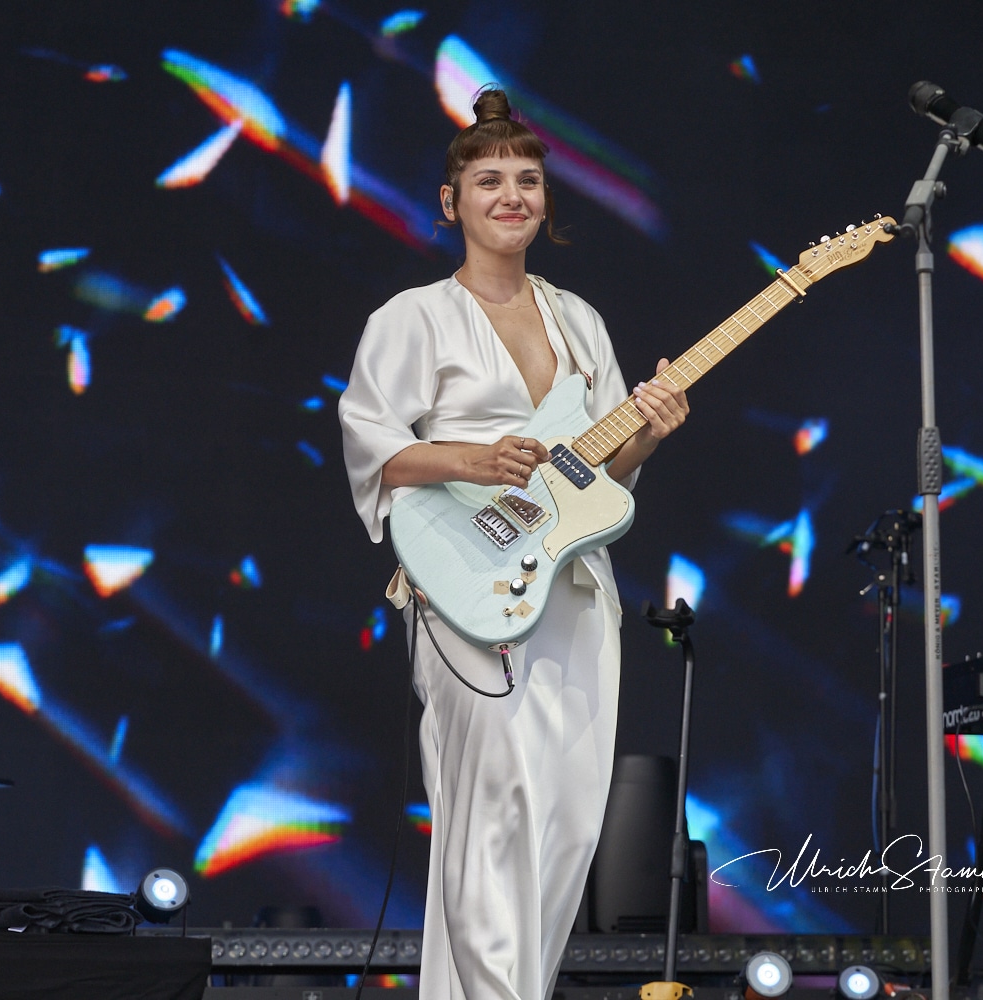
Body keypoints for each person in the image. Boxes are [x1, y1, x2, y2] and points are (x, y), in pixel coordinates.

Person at [338, 88, 688, 1000]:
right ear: (450, 201)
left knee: (567, 822)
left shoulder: (580, 322)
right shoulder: (412, 318)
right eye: (488, 180)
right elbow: (373, 443)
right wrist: (476, 458)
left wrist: (650, 427)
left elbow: (606, 471)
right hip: (467, 583)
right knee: (492, 812)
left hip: (572, 588)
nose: (511, 195)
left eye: (527, 180)